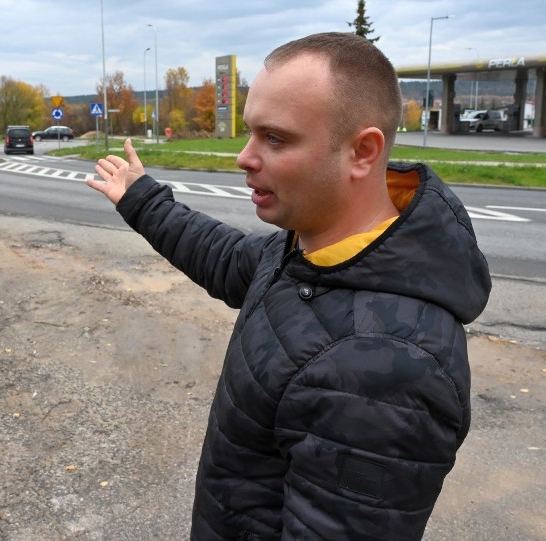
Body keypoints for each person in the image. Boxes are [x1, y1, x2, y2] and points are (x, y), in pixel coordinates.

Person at [87, 32, 491, 540]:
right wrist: (141, 200)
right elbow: (225, 256)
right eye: (251, 132)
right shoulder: (312, 253)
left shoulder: (385, 370)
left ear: (363, 152)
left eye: (274, 138)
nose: (243, 157)